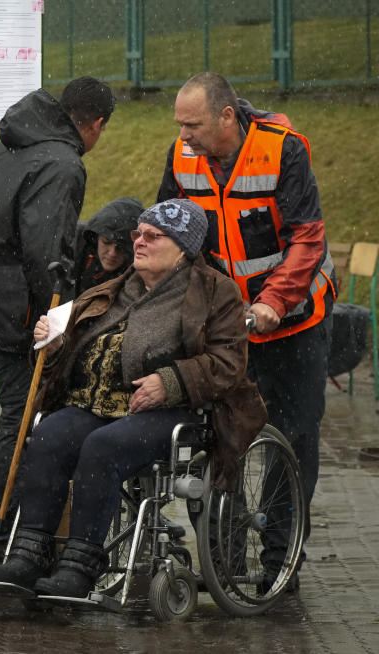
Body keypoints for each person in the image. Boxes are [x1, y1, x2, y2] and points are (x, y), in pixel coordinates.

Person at [0, 199, 267, 597]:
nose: (138, 243)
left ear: (183, 248)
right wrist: (56, 342)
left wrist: (171, 380)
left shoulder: (215, 291)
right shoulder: (116, 287)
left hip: (176, 412)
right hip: (99, 404)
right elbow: (77, 342)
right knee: (49, 436)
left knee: (102, 447)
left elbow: (228, 361)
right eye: (137, 235)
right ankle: (28, 557)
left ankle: (79, 568)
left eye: (152, 236)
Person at [157, 72, 335, 579]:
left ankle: (282, 561)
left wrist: (275, 301)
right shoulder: (182, 156)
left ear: (227, 116)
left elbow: (307, 239)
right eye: (180, 125)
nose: (184, 135)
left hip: (296, 321)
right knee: (221, 437)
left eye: (193, 124)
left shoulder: (284, 150)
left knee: (293, 438)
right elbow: (170, 230)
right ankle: (226, 561)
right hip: (230, 324)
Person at [0, 78, 116, 561]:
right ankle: (1, 533)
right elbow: (49, 253)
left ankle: (3, 525)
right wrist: (54, 316)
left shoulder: (4, 145)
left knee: (16, 410)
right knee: (23, 416)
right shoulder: (63, 163)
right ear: (96, 124)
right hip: (17, 304)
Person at [71, 197, 143, 297]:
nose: (112, 253)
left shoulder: (140, 274)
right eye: (106, 242)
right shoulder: (75, 241)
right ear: (95, 238)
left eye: (121, 248)